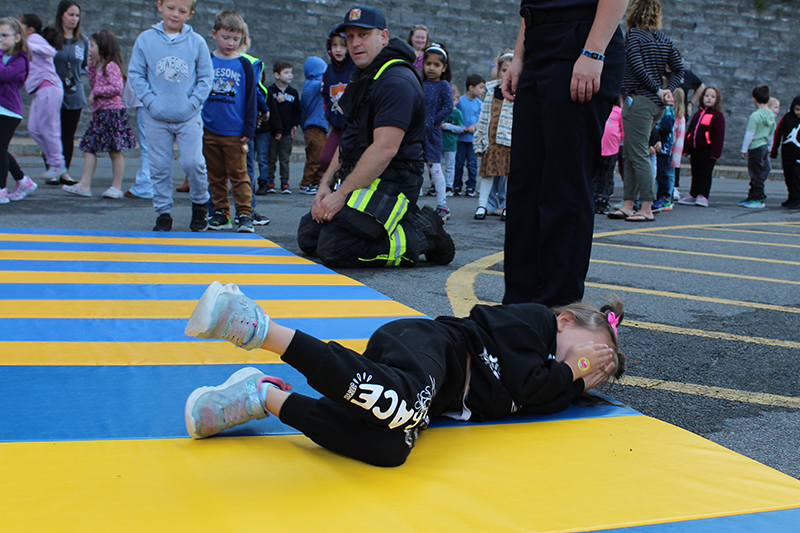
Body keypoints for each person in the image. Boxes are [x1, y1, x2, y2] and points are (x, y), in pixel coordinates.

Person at [183, 281, 626, 466]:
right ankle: (258, 327)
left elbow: (531, 397)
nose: (590, 368)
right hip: (434, 348)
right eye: (593, 353)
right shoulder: (534, 322)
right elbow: (529, 382)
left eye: (598, 372)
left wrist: (574, 378)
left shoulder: (555, 383)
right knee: (406, 405)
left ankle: (263, 397)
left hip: (422, 399)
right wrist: (572, 369)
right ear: (566, 321)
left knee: (391, 446)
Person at [297, 5, 455, 268]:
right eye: (350, 37)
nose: (355, 43)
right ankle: (396, 224)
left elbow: (385, 149)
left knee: (335, 247)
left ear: (383, 36)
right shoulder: (363, 77)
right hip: (364, 176)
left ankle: (424, 233)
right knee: (309, 236)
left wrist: (341, 195)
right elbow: (347, 139)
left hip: (394, 182)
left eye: (363, 35)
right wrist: (325, 186)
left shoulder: (396, 81)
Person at [501, 0, 626, 307]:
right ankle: (518, 308)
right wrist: (519, 55)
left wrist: (594, 50)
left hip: (582, 35)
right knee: (523, 186)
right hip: (537, 37)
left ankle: (557, 309)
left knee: (564, 185)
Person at [128, 0, 214, 232]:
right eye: (171, 8)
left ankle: (199, 206)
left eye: (182, 11)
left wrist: (193, 102)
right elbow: (135, 73)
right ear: (160, 6)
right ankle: (163, 213)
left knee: (193, 162)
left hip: (188, 116)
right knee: (159, 166)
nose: (175, 14)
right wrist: (150, 101)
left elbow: (206, 76)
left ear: (190, 14)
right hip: (156, 117)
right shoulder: (146, 39)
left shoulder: (197, 42)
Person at [608, 0, 683, 224]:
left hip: (639, 100)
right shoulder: (663, 39)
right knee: (631, 154)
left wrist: (659, 90)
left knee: (638, 155)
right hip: (653, 103)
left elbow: (636, 66)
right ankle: (628, 204)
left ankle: (647, 207)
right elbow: (679, 69)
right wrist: (667, 90)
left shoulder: (633, 35)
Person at [61, 30, 135, 198]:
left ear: (103, 47)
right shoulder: (102, 67)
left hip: (112, 113)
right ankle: (84, 185)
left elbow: (117, 87)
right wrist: (92, 67)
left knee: (115, 151)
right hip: (100, 114)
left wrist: (97, 92)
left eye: (92, 45)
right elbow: (95, 83)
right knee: (89, 147)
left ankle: (116, 187)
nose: (90, 49)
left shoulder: (111, 66)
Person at [201, 10, 257, 233]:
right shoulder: (207, 60)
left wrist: (249, 128)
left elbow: (251, 98)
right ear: (214, 34)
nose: (230, 43)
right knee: (214, 175)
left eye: (236, 38)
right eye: (226, 37)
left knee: (239, 174)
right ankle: (221, 212)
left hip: (235, 131)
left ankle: (245, 213)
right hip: (209, 128)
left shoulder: (244, 65)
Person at [19, 15, 65, 185]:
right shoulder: (28, 42)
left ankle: (57, 163)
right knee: (34, 129)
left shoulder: (34, 39)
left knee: (49, 128)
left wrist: (27, 45)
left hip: (49, 88)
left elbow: (50, 51)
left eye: (20, 24)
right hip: (40, 91)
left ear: (29, 28)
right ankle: (53, 162)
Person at [49, 0, 87, 186]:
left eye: (77, 15)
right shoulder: (51, 38)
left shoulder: (83, 40)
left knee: (67, 134)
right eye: (70, 14)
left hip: (74, 93)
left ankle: (64, 172)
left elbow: (86, 66)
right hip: (53, 91)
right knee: (51, 131)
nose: (74, 19)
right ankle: (52, 169)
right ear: (61, 15)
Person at [473, 51, 514, 221]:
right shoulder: (491, 91)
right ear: (498, 70)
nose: (507, 74)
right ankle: (482, 205)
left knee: (509, 174)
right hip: (490, 140)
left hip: (509, 140)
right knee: (487, 172)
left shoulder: (519, 91)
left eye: (511, 70)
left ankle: (507, 206)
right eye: (504, 70)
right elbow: (484, 117)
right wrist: (479, 141)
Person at [237, 27, 271, 226]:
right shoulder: (251, 62)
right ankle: (247, 210)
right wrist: (264, 110)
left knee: (217, 170)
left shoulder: (217, 59)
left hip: (221, 124)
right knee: (246, 169)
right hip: (243, 124)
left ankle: (215, 209)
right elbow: (256, 90)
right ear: (247, 39)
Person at [0, 17, 34, 204]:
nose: (1, 39)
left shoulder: (20, 60)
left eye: (4, 35)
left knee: (0, 149)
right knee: (1, 149)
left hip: (9, 111)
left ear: (18, 37)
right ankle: (23, 181)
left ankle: (1, 189)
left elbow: (3, 74)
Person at [421, 43, 454, 220]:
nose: (431, 68)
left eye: (436, 65)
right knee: (415, 166)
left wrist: (433, 120)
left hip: (432, 132)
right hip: (417, 132)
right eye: (428, 64)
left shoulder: (443, 85)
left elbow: (449, 107)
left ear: (444, 67)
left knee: (434, 168)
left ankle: (442, 206)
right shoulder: (420, 83)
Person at [679, 86, 725, 208]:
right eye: (707, 96)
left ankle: (703, 195)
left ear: (717, 99)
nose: (709, 98)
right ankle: (693, 193)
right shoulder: (697, 114)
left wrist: (715, 153)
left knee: (705, 173)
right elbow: (690, 131)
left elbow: (719, 136)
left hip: (708, 150)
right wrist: (686, 148)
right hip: (695, 149)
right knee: (696, 172)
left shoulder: (717, 116)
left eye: (712, 96)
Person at [319, 29, 356, 177]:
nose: (338, 50)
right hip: (337, 126)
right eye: (334, 45)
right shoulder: (328, 71)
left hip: (354, 127)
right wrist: (329, 115)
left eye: (343, 45)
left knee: (353, 160)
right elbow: (325, 95)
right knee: (326, 160)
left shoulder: (355, 68)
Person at [738, 85, 776, 209]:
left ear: (754, 99)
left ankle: (758, 198)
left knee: (755, 173)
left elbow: (750, 134)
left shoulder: (755, 116)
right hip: (764, 146)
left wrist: (744, 149)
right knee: (759, 172)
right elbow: (771, 133)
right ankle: (752, 196)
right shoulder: (771, 115)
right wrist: (770, 147)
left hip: (755, 147)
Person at [267, 60, 301, 194]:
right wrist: (277, 102)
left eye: (291, 72)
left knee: (284, 159)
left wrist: (295, 125)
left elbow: (297, 110)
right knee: (271, 158)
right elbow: (269, 110)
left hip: (287, 131)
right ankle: (270, 182)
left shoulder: (293, 92)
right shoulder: (270, 91)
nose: (290, 75)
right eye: (286, 72)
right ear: (277, 75)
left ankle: (285, 183)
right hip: (273, 131)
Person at [299, 56, 328, 195]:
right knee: (315, 157)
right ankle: (305, 183)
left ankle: (316, 182)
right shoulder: (311, 85)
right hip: (314, 126)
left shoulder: (314, 84)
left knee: (323, 157)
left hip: (321, 126)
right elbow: (324, 83)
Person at [453, 74, 485, 196]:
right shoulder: (460, 100)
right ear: (471, 87)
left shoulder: (479, 104)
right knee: (459, 163)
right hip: (460, 138)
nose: (483, 91)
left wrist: (474, 126)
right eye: (481, 87)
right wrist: (460, 127)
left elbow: (482, 120)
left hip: (473, 140)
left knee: (472, 164)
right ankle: (457, 185)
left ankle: (471, 186)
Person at [593, 95, 623, 215]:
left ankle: (605, 198)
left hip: (612, 148)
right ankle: (594, 198)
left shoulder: (618, 111)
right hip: (598, 147)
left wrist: (617, 138)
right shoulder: (600, 108)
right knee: (596, 174)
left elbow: (623, 129)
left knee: (608, 175)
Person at [769, 95, 800, 209]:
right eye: (797, 109)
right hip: (787, 154)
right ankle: (792, 197)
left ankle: (797, 199)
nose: (799, 113)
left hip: (798, 156)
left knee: (797, 178)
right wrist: (774, 150)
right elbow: (778, 133)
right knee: (789, 177)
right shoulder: (787, 117)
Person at [441, 83, 465, 197]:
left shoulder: (457, 113)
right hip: (438, 143)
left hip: (450, 144)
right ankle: (435, 185)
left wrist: (447, 126)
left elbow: (461, 128)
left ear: (457, 99)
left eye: (453, 99)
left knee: (450, 166)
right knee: (436, 166)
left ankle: (449, 186)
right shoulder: (440, 110)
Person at [652, 103, 675, 213]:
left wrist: (657, 135)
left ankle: (665, 197)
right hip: (655, 144)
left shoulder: (666, 109)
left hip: (664, 147)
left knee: (662, 172)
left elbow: (666, 127)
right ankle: (656, 196)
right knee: (655, 172)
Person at [669, 87, 686, 201]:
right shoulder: (679, 118)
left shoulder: (676, 117)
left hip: (668, 147)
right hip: (672, 147)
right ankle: (671, 188)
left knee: (668, 171)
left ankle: (671, 189)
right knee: (670, 171)